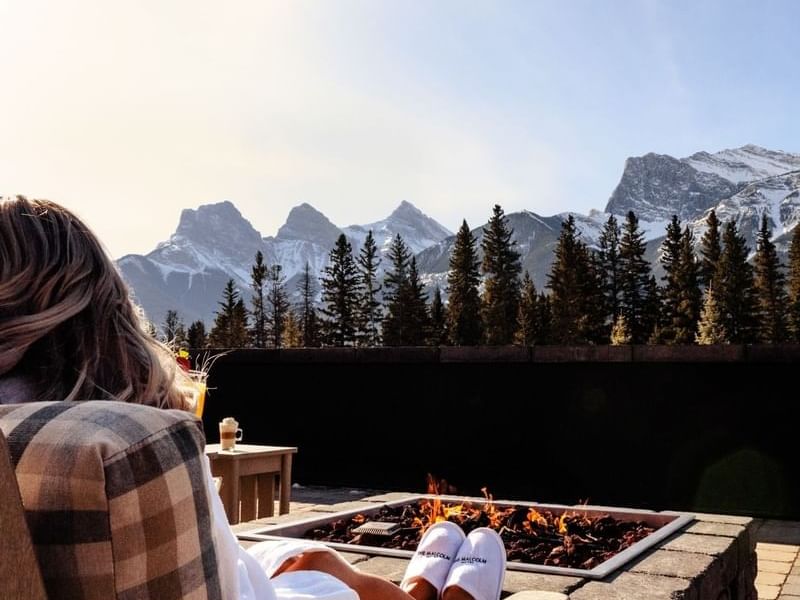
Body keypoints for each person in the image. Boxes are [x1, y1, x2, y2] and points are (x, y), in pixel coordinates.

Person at [0, 196, 506, 600]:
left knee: (307, 559)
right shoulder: (132, 443)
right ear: (101, 313)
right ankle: (428, 593)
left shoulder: (21, 434)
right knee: (319, 565)